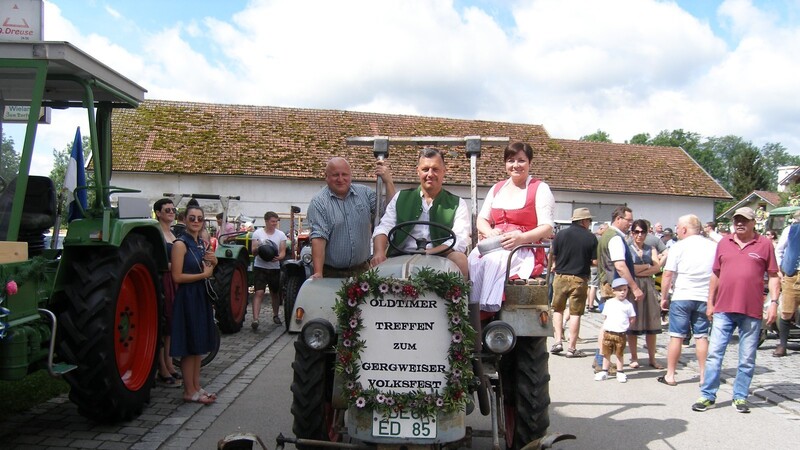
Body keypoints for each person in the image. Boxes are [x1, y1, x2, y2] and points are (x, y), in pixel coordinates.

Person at [692, 207, 779, 414]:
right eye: (736, 220)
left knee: (747, 358)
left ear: (753, 223)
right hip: (723, 308)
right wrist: (710, 302)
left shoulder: (765, 244)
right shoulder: (724, 242)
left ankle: (740, 396)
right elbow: (716, 274)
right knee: (714, 354)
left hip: (751, 310)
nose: (739, 223)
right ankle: (707, 395)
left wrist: (774, 302)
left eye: (744, 220)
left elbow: (774, 276)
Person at [466, 142, 555, 311]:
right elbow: (481, 220)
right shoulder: (497, 188)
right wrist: (490, 232)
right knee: (472, 259)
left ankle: (488, 307)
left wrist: (521, 238)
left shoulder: (540, 188)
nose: (515, 165)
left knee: (496, 260)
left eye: (521, 160)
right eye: (510, 160)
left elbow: (547, 227)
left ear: (530, 162)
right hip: (496, 243)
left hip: (524, 248)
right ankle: (471, 309)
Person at [372, 147, 470, 276]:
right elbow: (384, 227)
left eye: (435, 169)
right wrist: (379, 253)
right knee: (375, 263)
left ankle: (458, 296)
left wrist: (429, 252)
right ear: (418, 171)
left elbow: (459, 239)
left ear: (444, 171)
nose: (430, 174)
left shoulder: (457, 203)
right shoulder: (401, 197)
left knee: (460, 259)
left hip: (441, 258)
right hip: (401, 255)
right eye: (425, 169)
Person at [307, 157, 395, 278]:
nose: (340, 179)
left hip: (362, 271)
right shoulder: (319, 203)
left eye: (344, 174)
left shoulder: (365, 194)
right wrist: (318, 273)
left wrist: (388, 182)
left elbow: (389, 212)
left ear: (350, 176)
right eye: (335, 175)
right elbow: (318, 238)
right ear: (326, 176)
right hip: (331, 274)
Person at [658, 214, 716, 386]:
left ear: (684, 229)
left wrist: (664, 297)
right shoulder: (712, 246)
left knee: (676, 336)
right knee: (701, 337)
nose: (676, 230)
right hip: (704, 296)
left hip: (682, 296)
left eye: (677, 227)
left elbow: (668, 274)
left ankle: (670, 374)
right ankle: (704, 376)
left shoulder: (678, 247)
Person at [170, 202, 218, 405]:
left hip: (200, 295)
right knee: (189, 345)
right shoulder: (180, 244)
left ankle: (196, 385)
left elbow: (208, 272)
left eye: (200, 218)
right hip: (188, 296)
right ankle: (189, 390)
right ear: (184, 220)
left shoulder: (200, 244)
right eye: (192, 218)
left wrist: (213, 264)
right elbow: (177, 277)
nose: (196, 222)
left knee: (198, 344)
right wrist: (203, 275)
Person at [550, 207, 597, 357]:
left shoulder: (561, 235)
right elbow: (595, 261)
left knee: (557, 310)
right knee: (576, 313)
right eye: (589, 220)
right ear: (583, 221)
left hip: (560, 277)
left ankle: (557, 341)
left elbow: (552, 254)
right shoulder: (591, 237)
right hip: (579, 278)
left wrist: (554, 265)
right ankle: (572, 348)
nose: (590, 223)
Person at [626, 219, 663, 369]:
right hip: (634, 286)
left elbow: (657, 268)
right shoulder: (628, 248)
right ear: (632, 233)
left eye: (642, 232)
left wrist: (643, 268)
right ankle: (634, 357)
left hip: (648, 285)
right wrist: (647, 266)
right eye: (637, 232)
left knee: (651, 321)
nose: (639, 235)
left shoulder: (651, 248)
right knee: (633, 322)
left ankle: (652, 358)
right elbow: (630, 270)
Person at [153, 198, 182, 388]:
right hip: (163, 279)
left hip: (175, 280)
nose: (171, 212)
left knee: (171, 325)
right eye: (167, 209)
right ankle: (161, 368)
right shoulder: (156, 234)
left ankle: (170, 364)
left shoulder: (173, 233)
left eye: (173, 209)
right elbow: (156, 260)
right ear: (158, 213)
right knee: (163, 323)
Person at [594, 278, 636, 383]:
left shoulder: (628, 305)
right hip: (608, 332)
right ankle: (604, 370)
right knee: (606, 353)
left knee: (619, 353)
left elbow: (632, 318)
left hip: (620, 333)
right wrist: (605, 329)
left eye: (625, 290)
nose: (622, 292)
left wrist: (627, 326)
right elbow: (606, 317)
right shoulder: (609, 303)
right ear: (613, 291)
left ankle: (620, 371)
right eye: (620, 290)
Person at [250, 211, 287, 329]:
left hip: (274, 268)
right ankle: (255, 319)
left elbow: (282, 252)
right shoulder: (257, 233)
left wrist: (278, 257)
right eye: (272, 221)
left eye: (276, 221)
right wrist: (259, 248)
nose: (274, 224)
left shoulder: (280, 235)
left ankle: (276, 315)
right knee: (259, 292)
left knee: (275, 293)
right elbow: (253, 251)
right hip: (260, 266)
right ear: (266, 221)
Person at [773, 210, 800, 357]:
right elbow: (779, 250)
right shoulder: (790, 230)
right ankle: (782, 345)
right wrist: (779, 269)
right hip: (792, 274)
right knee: (787, 311)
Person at [586, 223, 608, 311]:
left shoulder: (592, 237)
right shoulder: (601, 239)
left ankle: (588, 303)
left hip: (590, 264)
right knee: (593, 286)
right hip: (596, 264)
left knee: (589, 285)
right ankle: (591, 305)